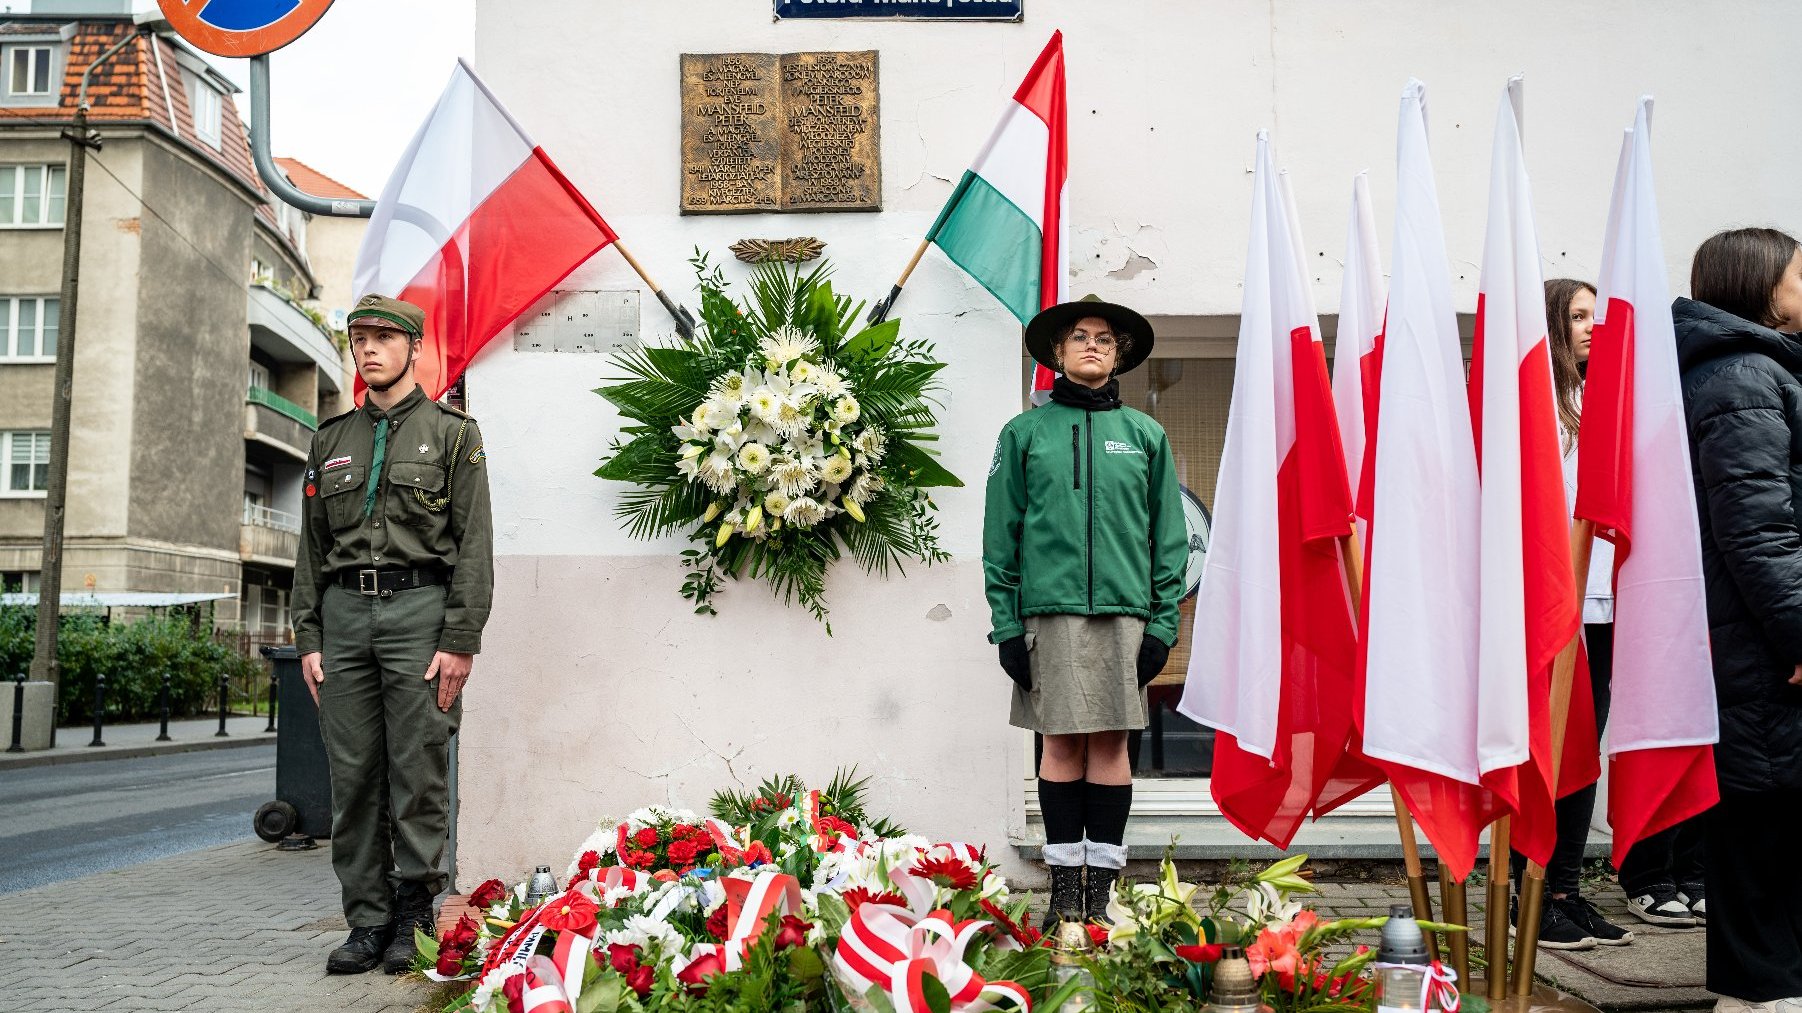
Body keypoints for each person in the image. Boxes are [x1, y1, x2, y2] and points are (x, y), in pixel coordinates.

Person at [291, 294, 494, 975]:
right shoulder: (330, 441)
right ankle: (367, 919)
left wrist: (460, 638)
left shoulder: (455, 433)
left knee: (418, 768)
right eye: (360, 338)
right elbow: (311, 552)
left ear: (414, 347)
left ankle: (413, 912)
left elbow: (473, 546)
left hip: (419, 613)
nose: (369, 349)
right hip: (345, 618)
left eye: (384, 337)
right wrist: (309, 637)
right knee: (352, 776)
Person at [982, 296, 1189, 927]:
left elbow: (1169, 538)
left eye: (1104, 338)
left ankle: (1100, 895)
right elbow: (1000, 534)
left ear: (1118, 353)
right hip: (1049, 614)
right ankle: (1062, 892)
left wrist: (1161, 624)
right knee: (1061, 748)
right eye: (1079, 336)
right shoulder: (1023, 435)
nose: (1093, 345)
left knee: (1111, 748)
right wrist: (1007, 624)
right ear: (1057, 353)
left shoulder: (1145, 435)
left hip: (1125, 615)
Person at [1675, 227, 1802, 1012]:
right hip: (1761, 648)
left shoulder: (1764, 367)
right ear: (1760, 286)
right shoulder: (1743, 375)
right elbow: (1757, 529)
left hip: (1764, 641)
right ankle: (1760, 995)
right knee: (1762, 824)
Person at [1506, 278, 1635, 950]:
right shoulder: (1537, 402)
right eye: (1578, 315)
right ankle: (1528, 891)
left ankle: (1567, 889)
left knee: (1587, 752)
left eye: (1595, 315)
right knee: (1550, 752)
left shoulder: (1596, 398)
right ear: (1554, 321)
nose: (1591, 326)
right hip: (1553, 604)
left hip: (1604, 601)